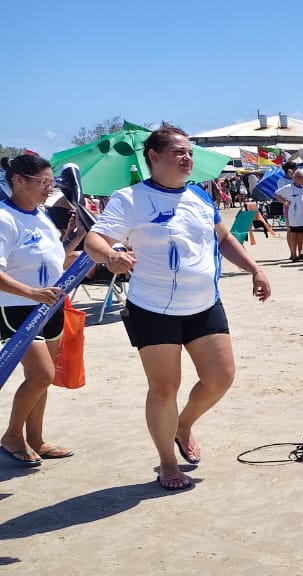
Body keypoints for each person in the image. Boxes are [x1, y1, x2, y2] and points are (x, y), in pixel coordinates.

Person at [85, 126, 271, 490]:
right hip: (152, 307)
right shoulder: (130, 198)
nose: (187, 158)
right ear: (153, 157)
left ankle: (183, 425)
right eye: (178, 152)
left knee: (220, 377)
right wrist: (110, 256)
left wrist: (255, 269)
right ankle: (167, 462)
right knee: (163, 388)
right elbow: (96, 239)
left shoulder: (199, 195)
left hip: (203, 303)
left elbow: (223, 239)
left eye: (189, 152)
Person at [0, 154, 75, 466]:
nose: (49, 189)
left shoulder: (42, 215)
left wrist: (78, 238)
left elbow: (56, 259)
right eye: (43, 182)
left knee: (42, 378)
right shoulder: (4, 218)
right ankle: (12, 436)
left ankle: (36, 438)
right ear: (18, 181)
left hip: (50, 305)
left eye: (51, 183)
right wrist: (32, 292)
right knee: (41, 375)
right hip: (18, 307)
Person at [274, 169, 303, 261]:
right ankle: (294, 255)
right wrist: (284, 202)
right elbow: (276, 194)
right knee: (294, 235)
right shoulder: (289, 187)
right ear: (297, 178)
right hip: (294, 216)